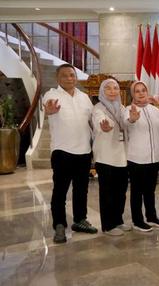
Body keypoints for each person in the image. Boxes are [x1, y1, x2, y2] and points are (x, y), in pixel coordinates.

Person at [43, 63, 98, 243]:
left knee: (81, 189)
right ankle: (59, 224)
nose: (69, 78)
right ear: (58, 78)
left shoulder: (84, 97)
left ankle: (80, 220)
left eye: (72, 75)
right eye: (65, 75)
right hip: (62, 151)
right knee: (60, 190)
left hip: (83, 150)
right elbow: (48, 107)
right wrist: (49, 109)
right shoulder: (52, 94)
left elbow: (93, 121)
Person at [126, 81, 159, 232]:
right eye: (137, 91)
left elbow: (158, 134)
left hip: (153, 158)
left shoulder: (155, 111)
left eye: (143, 90)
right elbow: (127, 124)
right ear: (132, 94)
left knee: (150, 190)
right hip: (136, 158)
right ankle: (137, 221)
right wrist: (132, 119)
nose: (141, 93)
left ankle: (151, 216)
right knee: (137, 192)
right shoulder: (128, 110)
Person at [92, 78, 130, 236]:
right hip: (105, 157)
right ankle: (108, 225)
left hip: (122, 156)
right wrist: (104, 125)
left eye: (115, 88)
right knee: (107, 192)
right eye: (108, 88)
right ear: (102, 91)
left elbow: (129, 121)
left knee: (121, 192)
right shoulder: (98, 108)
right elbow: (99, 120)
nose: (112, 91)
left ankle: (118, 220)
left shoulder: (121, 107)